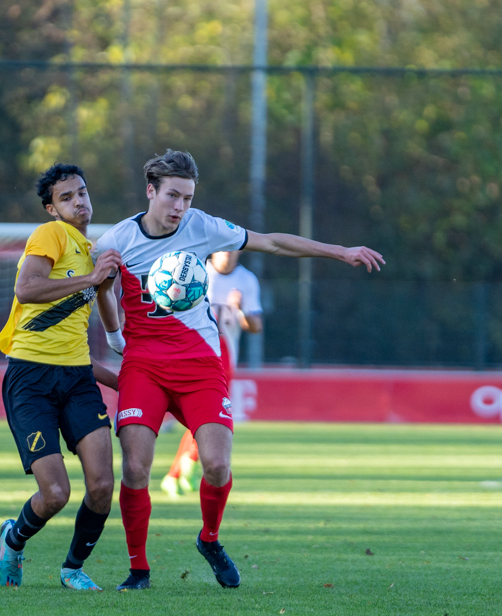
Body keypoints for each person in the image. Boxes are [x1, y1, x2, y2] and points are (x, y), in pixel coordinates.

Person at [96, 150, 383, 591]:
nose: (180, 207)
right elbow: (100, 288)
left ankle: (209, 539)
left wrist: (339, 251)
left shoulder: (202, 227)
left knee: (216, 466)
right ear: (150, 191)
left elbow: (271, 241)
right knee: (135, 468)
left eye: (188, 197)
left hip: (200, 365)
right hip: (145, 366)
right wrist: (115, 338)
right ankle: (139, 569)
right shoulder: (117, 240)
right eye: (173, 195)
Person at [0, 163, 122, 591]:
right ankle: (13, 540)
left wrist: (104, 284)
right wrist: (90, 278)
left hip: (78, 380)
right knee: (55, 494)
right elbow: (26, 289)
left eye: (82, 193)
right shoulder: (51, 235)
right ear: (52, 209)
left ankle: (72, 568)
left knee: (103, 484)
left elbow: (102, 324)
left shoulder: (93, 250)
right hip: (30, 379)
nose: (79, 202)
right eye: (66, 197)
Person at [160, 250, 262, 498]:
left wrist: (239, 310)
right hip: (192, 352)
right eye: (224, 247)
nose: (228, 253)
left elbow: (256, 326)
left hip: (225, 355)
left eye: (233, 247)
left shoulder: (246, 279)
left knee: (206, 416)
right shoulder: (194, 272)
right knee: (207, 415)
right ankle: (180, 472)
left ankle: (179, 472)